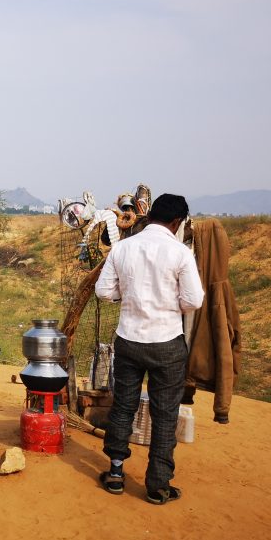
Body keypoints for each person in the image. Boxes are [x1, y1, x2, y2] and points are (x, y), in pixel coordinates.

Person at [94, 193, 204, 505]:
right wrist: (171, 306)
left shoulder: (124, 248)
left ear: (150, 215)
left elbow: (104, 291)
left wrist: (125, 298)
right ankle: (157, 485)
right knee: (165, 414)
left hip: (129, 339)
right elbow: (194, 301)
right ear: (176, 222)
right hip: (167, 343)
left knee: (124, 406)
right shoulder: (180, 254)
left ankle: (115, 472)